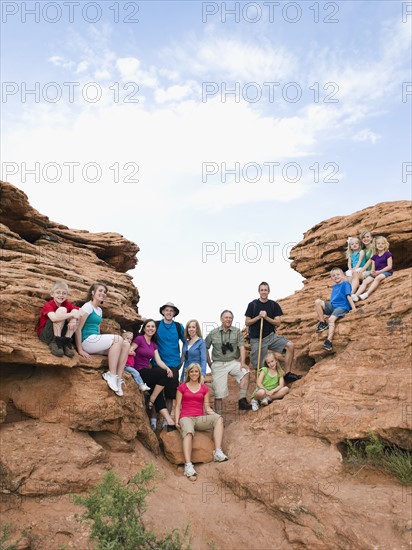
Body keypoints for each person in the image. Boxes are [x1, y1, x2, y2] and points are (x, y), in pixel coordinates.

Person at [175, 363, 228, 480]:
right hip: (186, 417)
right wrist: (176, 421)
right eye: (192, 371)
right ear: (188, 373)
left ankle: (218, 452)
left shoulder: (204, 389)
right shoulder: (182, 387)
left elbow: (207, 408)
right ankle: (188, 466)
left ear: (199, 373)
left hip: (199, 418)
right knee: (188, 432)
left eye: (196, 371)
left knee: (219, 419)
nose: (194, 374)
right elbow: (178, 406)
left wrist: (217, 416)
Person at [75, 282, 130, 396]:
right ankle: (111, 374)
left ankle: (118, 379)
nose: (103, 293)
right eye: (100, 291)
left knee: (126, 345)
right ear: (93, 293)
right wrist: (80, 349)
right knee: (118, 339)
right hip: (87, 341)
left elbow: (98, 330)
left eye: (105, 292)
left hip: (95, 340)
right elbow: (78, 328)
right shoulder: (87, 306)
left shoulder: (99, 310)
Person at [245, 282, 301, 384]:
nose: (263, 292)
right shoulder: (252, 305)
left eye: (265, 290)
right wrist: (258, 317)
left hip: (270, 337)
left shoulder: (273, 305)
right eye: (262, 290)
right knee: (259, 364)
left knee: (290, 345)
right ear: (259, 291)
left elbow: (278, 323)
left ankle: (287, 374)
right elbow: (247, 322)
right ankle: (262, 385)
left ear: (269, 291)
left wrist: (266, 317)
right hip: (256, 339)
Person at [131, 318, 177, 431]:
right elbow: (131, 349)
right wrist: (131, 351)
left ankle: (169, 420)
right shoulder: (139, 339)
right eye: (148, 326)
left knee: (160, 393)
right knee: (164, 376)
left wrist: (167, 368)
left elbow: (159, 361)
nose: (150, 328)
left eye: (153, 327)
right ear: (144, 328)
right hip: (139, 371)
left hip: (147, 372)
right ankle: (151, 399)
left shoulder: (153, 344)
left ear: (155, 329)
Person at [205, 310, 252, 412]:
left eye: (230, 318)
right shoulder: (213, 333)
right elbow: (205, 347)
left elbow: (242, 347)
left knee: (245, 373)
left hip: (232, 362)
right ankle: (218, 417)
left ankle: (242, 401)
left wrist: (243, 363)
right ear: (221, 319)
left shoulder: (237, 331)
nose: (228, 319)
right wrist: (209, 363)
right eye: (226, 317)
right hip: (218, 364)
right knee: (218, 393)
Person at [314, 268, 356, 352]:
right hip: (333, 307)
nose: (336, 277)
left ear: (343, 275)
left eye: (338, 274)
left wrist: (354, 308)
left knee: (331, 319)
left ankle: (329, 341)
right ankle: (322, 323)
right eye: (333, 276)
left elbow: (348, 296)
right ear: (331, 278)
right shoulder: (335, 286)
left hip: (342, 307)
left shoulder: (346, 284)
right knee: (317, 301)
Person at [155, 302, 185, 415]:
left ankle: (165, 421)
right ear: (163, 312)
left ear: (174, 313)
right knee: (156, 391)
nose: (169, 312)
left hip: (173, 364)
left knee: (170, 394)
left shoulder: (178, 327)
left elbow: (186, 343)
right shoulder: (156, 325)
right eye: (167, 310)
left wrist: (182, 358)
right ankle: (154, 419)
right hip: (158, 363)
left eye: (171, 311)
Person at [36, 279, 80, 358]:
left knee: (75, 312)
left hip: (61, 334)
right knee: (63, 310)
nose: (61, 295)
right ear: (52, 294)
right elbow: (54, 318)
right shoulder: (48, 305)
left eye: (64, 293)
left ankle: (66, 341)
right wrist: (72, 314)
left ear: (66, 295)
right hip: (47, 335)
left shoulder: (66, 304)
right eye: (58, 292)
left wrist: (73, 319)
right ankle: (56, 342)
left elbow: (79, 311)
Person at [352, 236, 393, 302]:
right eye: (378, 244)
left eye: (382, 244)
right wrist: (372, 271)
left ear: (385, 245)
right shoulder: (375, 256)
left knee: (378, 278)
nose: (380, 245)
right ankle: (356, 295)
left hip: (386, 272)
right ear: (375, 245)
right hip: (376, 272)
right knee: (365, 281)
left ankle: (366, 294)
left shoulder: (388, 254)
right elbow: (373, 267)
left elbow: (389, 266)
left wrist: (379, 272)